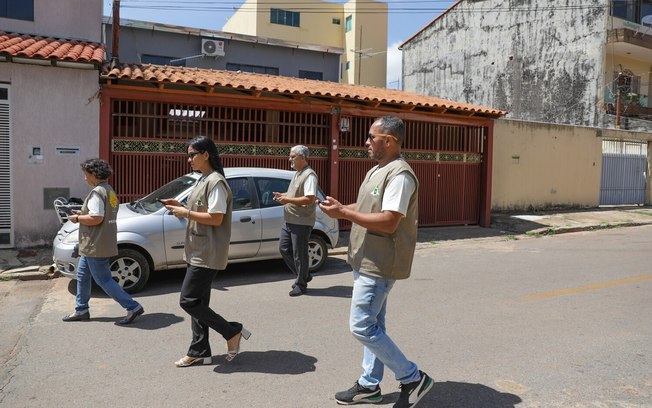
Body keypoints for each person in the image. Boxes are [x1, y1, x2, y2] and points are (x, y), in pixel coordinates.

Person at [319, 116, 433, 408]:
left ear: (390, 141)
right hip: (366, 258)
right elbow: (370, 207)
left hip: (379, 263)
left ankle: (412, 377)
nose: (366, 142)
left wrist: (345, 214)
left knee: (361, 326)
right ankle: (370, 385)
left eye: (372, 137)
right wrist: (342, 208)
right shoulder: (377, 171)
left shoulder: (399, 176)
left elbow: (389, 220)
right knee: (374, 325)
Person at [162, 135, 251, 367]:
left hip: (208, 251)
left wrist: (186, 214)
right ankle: (199, 349)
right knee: (198, 302)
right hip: (197, 248)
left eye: (193, 154)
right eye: (188, 154)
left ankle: (231, 331)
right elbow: (203, 209)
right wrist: (182, 206)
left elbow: (216, 218)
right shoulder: (203, 179)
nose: (189, 159)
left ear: (206, 155)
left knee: (189, 301)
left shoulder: (216, 182)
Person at [62, 158, 144, 325]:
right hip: (100, 241)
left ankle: (133, 306)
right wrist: (83, 212)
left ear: (93, 174)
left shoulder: (96, 192)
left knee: (103, 279)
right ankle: (81, 309)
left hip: (95, 244)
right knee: (82, 276)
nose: (85, 178)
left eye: (86, 175)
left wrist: (77, 217)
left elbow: (97, 217)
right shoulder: (109, 190)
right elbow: (101, 214)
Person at [273, 145, 318, 297]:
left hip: (301, 221)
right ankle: (304, 274)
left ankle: (301, 284)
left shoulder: (310, 175)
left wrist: (287, 199)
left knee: (300, 254)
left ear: (302, 157)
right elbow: (294, 193)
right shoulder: (297, 173)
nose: (289, 159)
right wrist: (283, 195)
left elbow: (309, 198)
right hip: (290, 219)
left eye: (292, 156)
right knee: (284, 248)